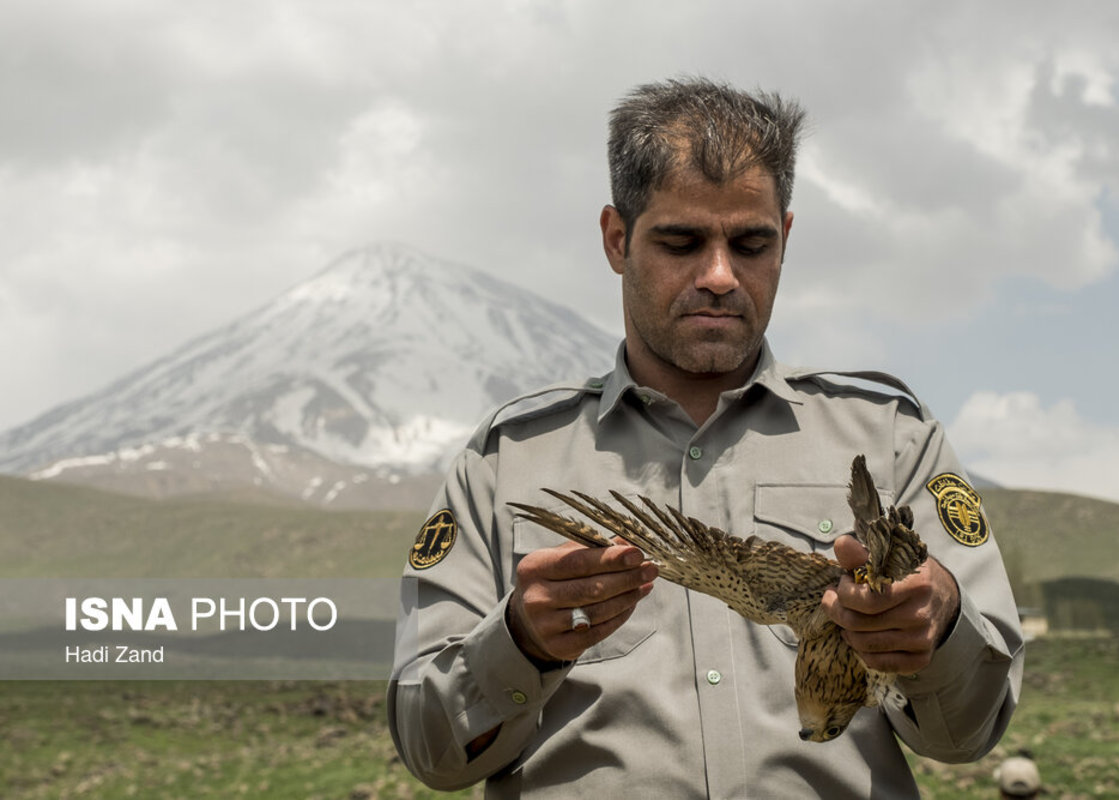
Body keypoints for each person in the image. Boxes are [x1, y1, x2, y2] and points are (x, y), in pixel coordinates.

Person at [389, 77, 1024, 798]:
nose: (720, 276)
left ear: (785, 238)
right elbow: (430, 750)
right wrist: (519, 644)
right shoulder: (508, 459)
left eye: (750, 243)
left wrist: (936, 628)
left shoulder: (891, 438)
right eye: (682, 242)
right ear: (616, 238)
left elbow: (967, 734)